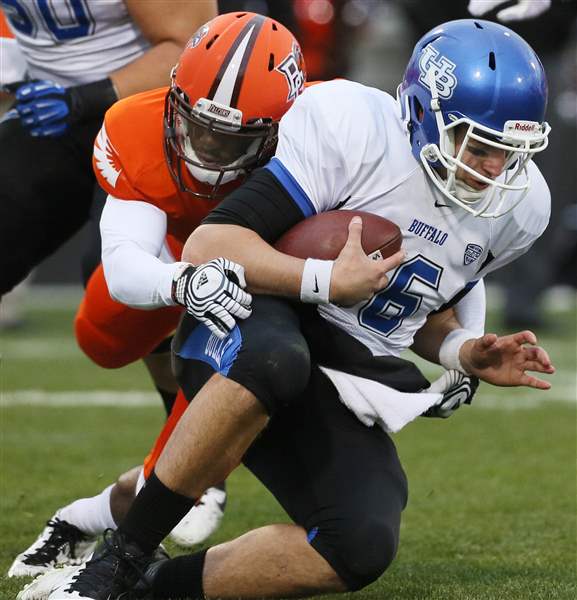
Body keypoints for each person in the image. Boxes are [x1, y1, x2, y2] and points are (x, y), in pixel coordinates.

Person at [44, 18, 556, 600]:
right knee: (277, 358)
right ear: (421, 110)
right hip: (243, 323)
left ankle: (151, 590)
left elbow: (414, 308)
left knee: (359, 545)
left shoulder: (521, 209)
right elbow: (216, 244)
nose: (494, 169)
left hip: (342, 370)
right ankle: (116, 565)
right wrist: (323, 280)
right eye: (480, 143)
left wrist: (462, 350)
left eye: (511, 150)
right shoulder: (353, 128)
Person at [9, 10, 308, 583]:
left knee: (231, 411)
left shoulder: (323, 130)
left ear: (280, 127)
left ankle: (103, 521)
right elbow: (126, 270)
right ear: (173, 95)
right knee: (99, 336)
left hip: (263, 273)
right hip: (176, 254)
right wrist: (185, 282)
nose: (208, 148)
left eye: (232, 138)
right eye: (197, 125)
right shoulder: (136, 123)